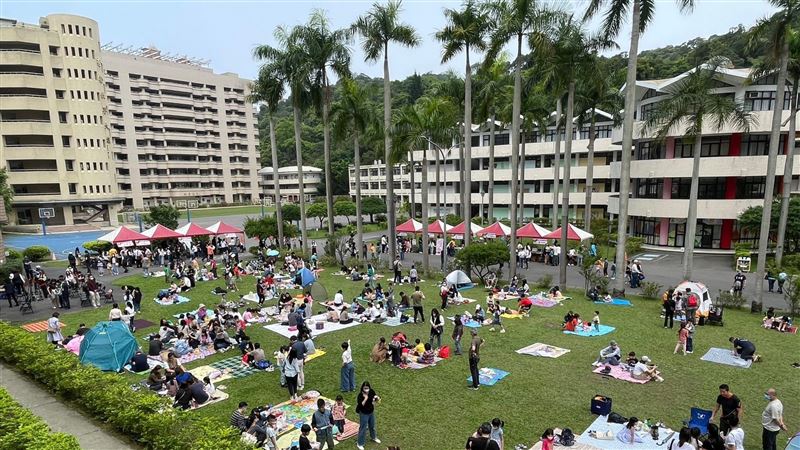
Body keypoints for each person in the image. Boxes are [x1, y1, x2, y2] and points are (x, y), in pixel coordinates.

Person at [355, 381, 381, 450]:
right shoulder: (360, 395)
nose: (366, 389)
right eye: (365, 388)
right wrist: (365, 398)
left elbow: (374, 397)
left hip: (371, 412)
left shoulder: (371, 391)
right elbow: (360, 405)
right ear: (362, 388)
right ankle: (360, 443)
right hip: (363, 413)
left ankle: (373, 437)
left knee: (372, 426)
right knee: (363, 428)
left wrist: (376, 398)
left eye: (367, 388)